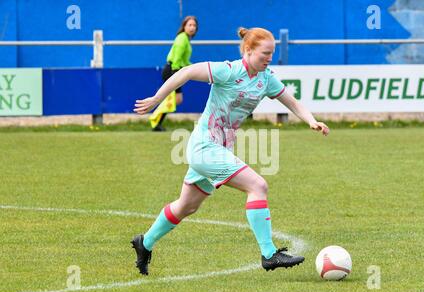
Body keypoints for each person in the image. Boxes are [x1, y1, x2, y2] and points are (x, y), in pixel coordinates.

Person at [132, 27, 330, 275]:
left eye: (272, 53)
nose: (269, 58)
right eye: (264, 54)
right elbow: (186, 72)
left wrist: (311, 120)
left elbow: (292, 102)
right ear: (248, 50)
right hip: (204, 146)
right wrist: (157, 98)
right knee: (258, 186)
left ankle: (144, 243)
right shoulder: (228, 70)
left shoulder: (266, 78)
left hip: (219, 147)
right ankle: (269, 254)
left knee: (186, 206)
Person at [149, 16, 198, 131]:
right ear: (184, 26)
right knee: (175, 98)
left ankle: (157, 120)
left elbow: (184, 61)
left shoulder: (186, 39)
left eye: (194, 25)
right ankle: (156, 119)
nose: (192, 28)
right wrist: (176, 73)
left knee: (176, 99)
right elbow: (176, 58)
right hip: (172, 70)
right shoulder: (182, 38)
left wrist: (195, 67)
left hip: (175, 70)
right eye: (189, 25)